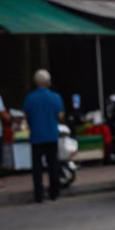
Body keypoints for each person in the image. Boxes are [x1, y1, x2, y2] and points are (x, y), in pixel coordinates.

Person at [23, 69, 64, 204]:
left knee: (37, 167)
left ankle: (38, 195)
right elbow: (60, 116)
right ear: (49, 82)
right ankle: (54, 192)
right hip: (52, 135)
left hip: (36, 136)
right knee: (53, 165)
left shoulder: (29, 98)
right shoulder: (56, 97)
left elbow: (27, 116)